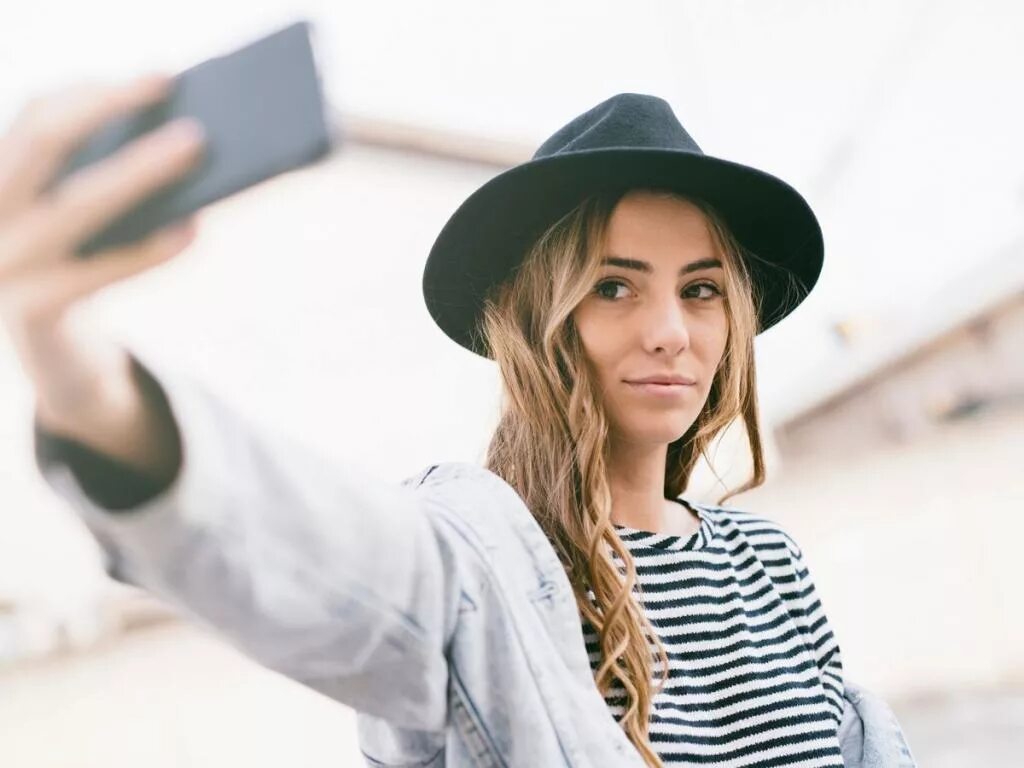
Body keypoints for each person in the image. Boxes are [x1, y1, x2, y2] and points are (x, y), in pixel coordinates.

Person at [0, 73, 917, 767]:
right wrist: (80, 374)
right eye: (613, 286)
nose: (672, 332)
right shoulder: (485, 559)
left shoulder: (769, 564)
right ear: (535, 326)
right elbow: (327, 560)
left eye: (704, 289)